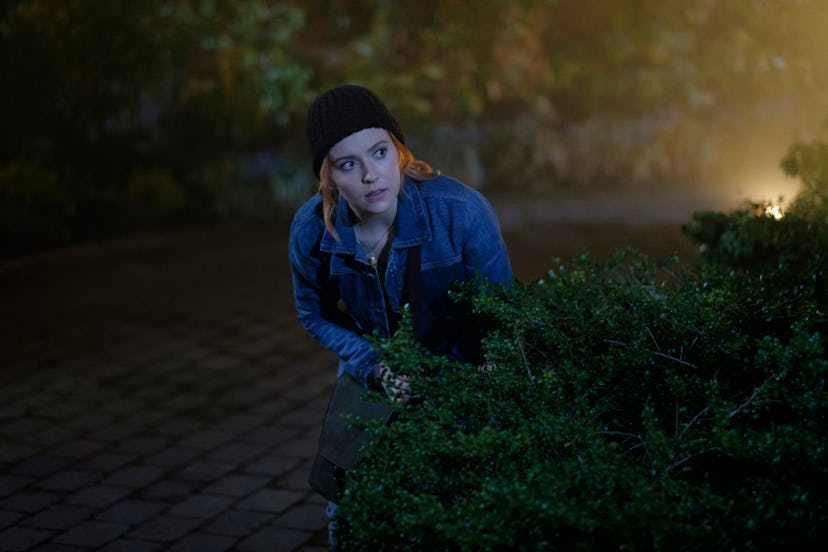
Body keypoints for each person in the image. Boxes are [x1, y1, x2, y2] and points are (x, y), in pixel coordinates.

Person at [288, 84, 512, 548]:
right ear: (328, 176)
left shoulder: (462, 212)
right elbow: (314, 314)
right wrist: (374, 364)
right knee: (347, 507)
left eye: (379, 152)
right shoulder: (311, 229)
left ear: (399, 151)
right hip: (372, 372)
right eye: (349, 164)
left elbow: (502, 319)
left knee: (454, 510)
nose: (372, 175)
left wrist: (478, 392)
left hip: (458, 377)